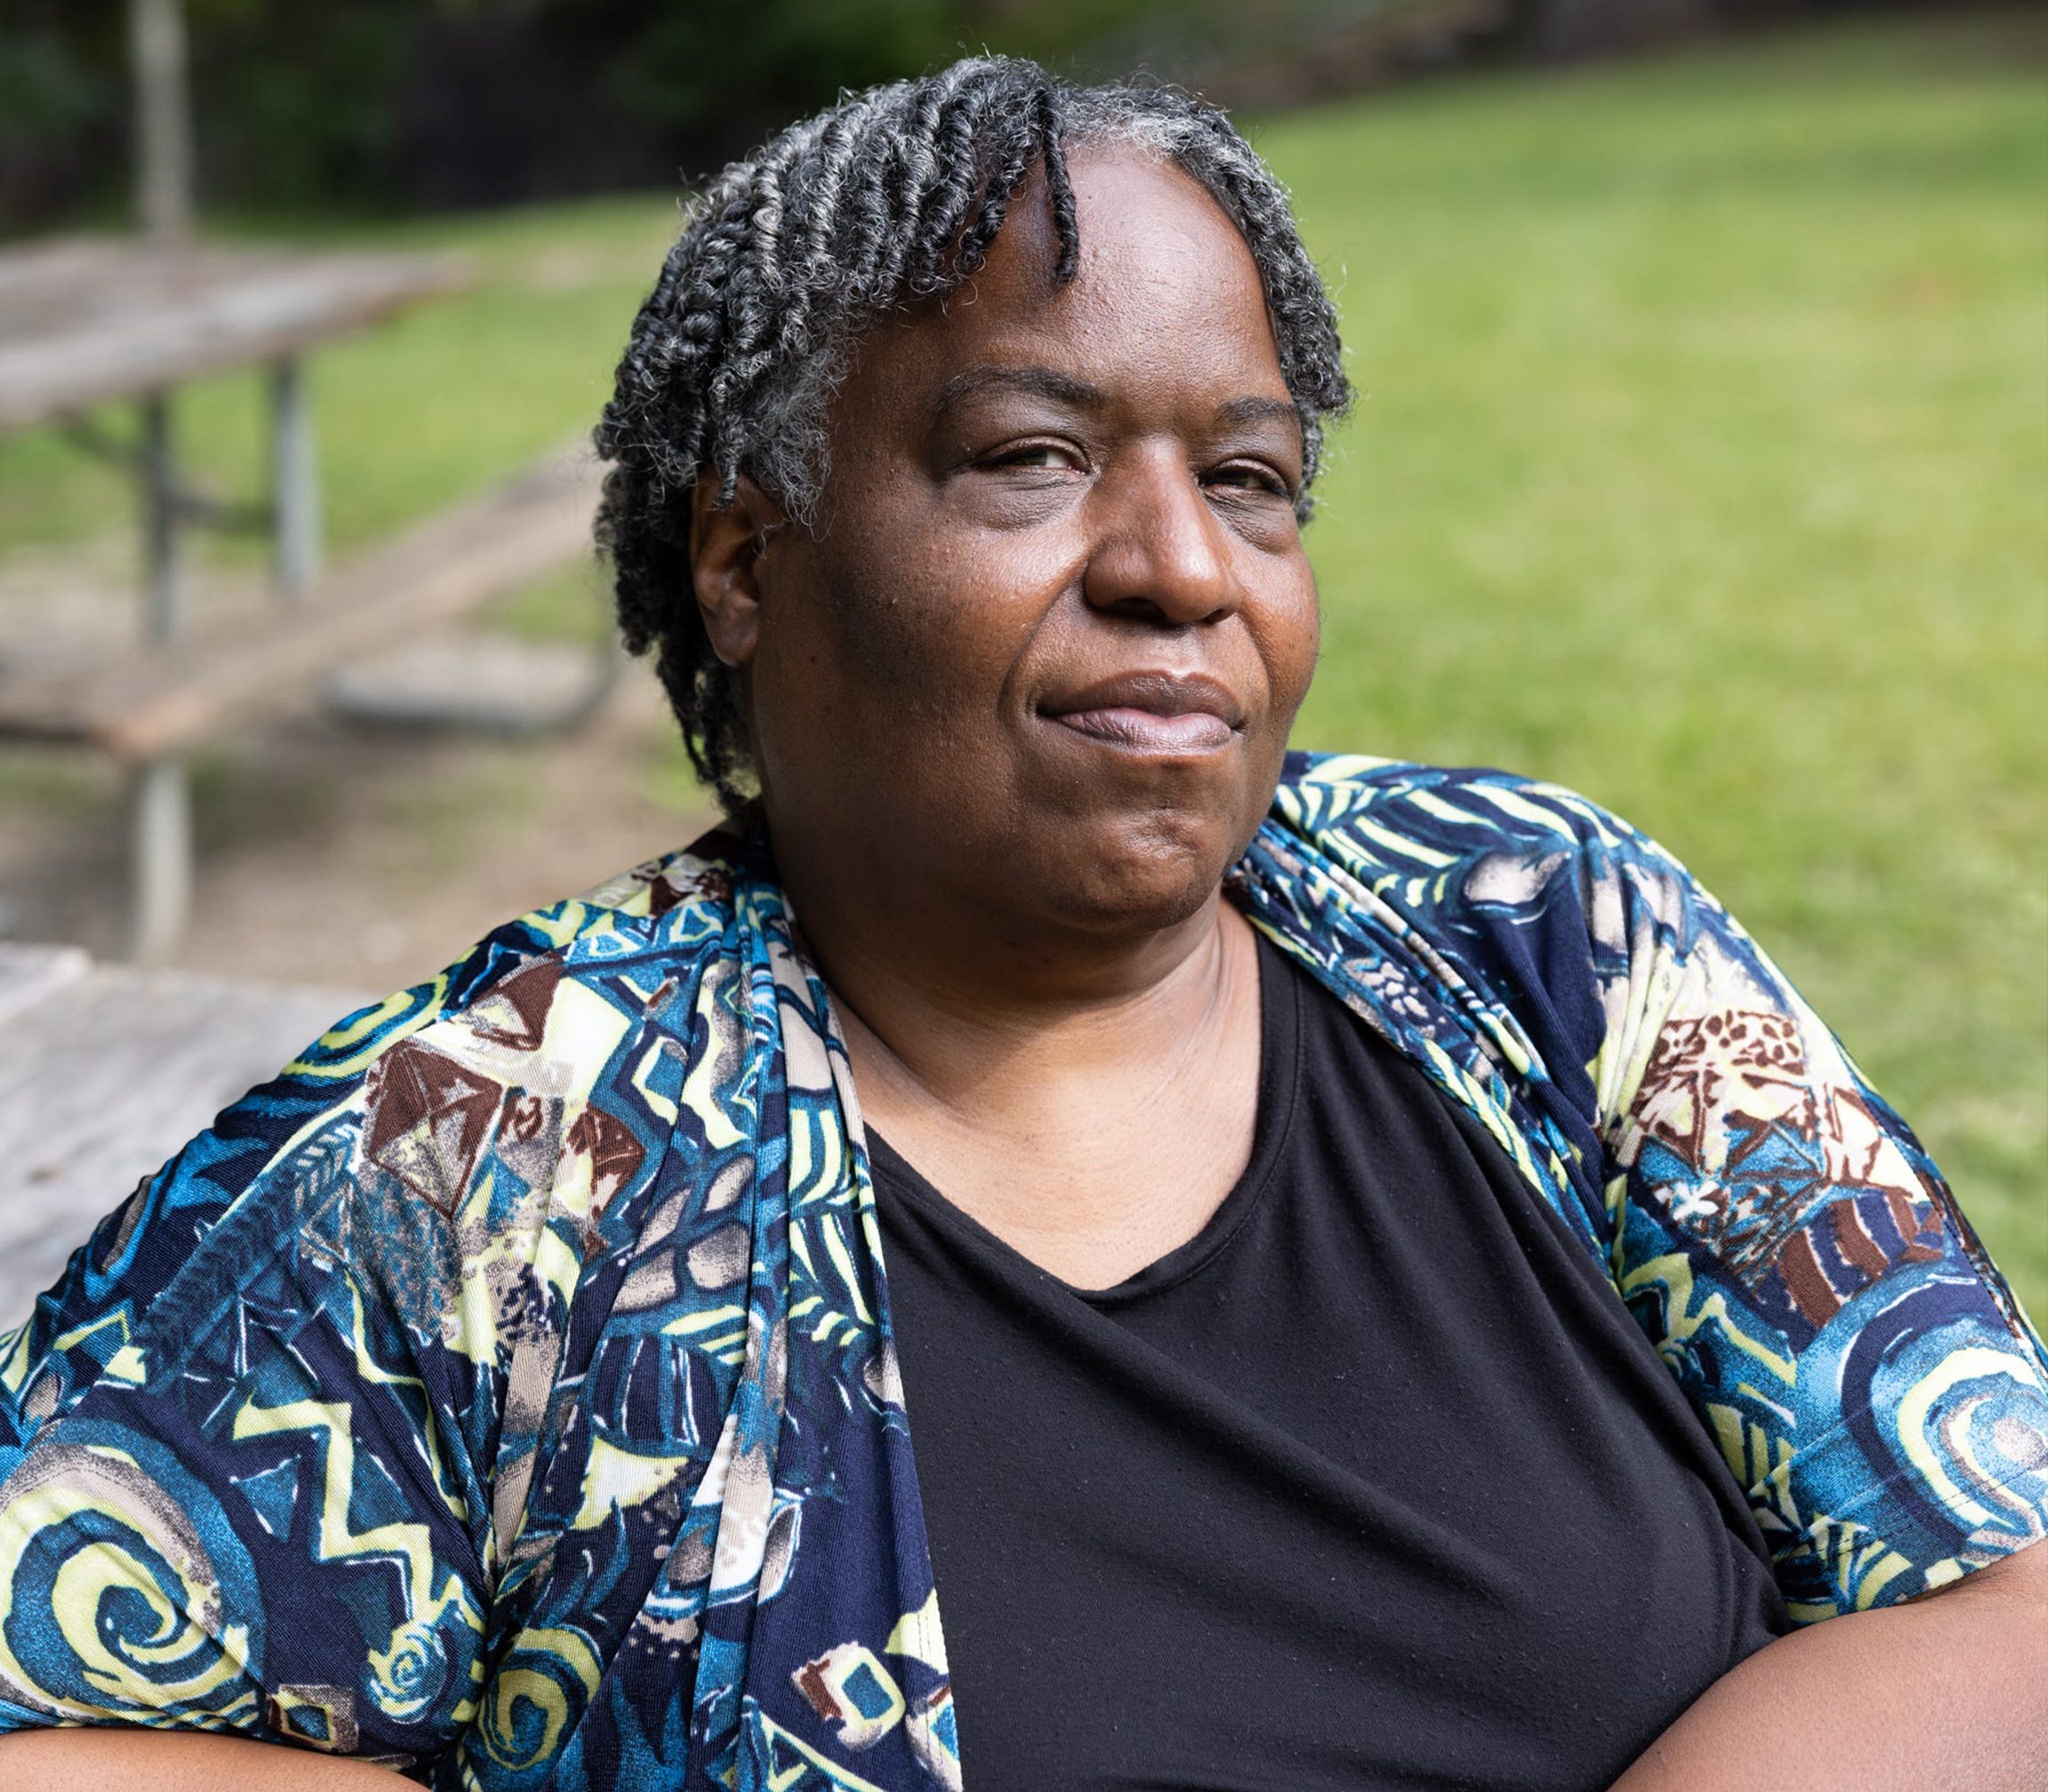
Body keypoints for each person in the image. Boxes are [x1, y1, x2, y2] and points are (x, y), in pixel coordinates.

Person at [0, 56, 2042, 1792]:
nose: (1183, 568)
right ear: (744, 555)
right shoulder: (503, 1152)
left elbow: (2000, 1591)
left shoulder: (1541, 934)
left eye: (1251, 481)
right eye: (1033, 458)